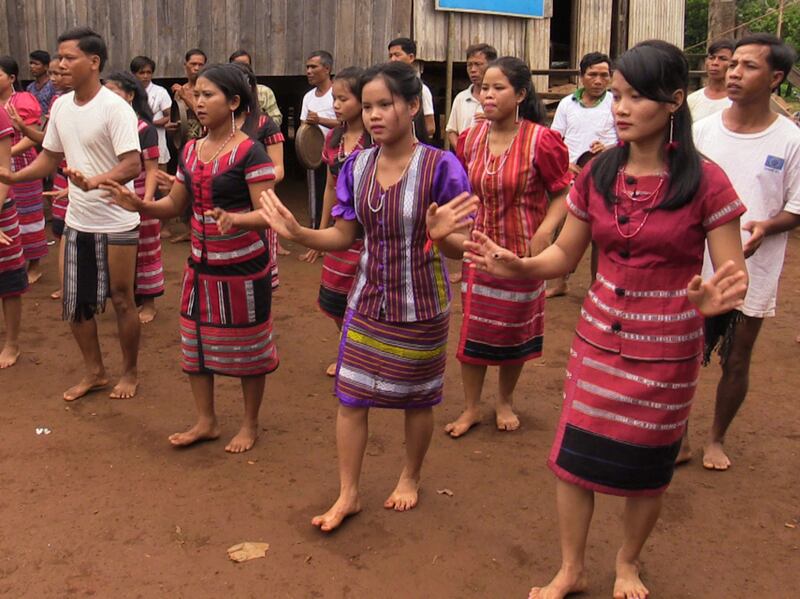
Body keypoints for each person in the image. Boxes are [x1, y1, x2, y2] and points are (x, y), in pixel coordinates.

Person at [464, 40, 748, 599]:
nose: (620, 107)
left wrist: (716, 300)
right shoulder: (597, 174)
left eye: (635, 96)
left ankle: (627, 562)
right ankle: (571, 568)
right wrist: (518, 264)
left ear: (674, 101)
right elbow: (562, 256)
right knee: (576, 456)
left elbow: (731, 272)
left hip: (667, 347)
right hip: (596, 339)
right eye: (616, 95)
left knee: (648, 467)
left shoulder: (706, 181)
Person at [260, 61, 476, 532]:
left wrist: (444, 237)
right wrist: (298, 232)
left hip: (421, 304)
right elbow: (344, 236)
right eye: (369, 106)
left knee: (417, 399)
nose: (374, 115)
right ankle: (349, 493)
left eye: (385, 104)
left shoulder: (442, 167)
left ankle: (410, 476)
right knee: (351, 397)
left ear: (413, 106)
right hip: (367, 299)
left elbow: (460, 247)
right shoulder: (356, 166)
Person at [103, 63, 279, 454]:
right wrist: (141, 205)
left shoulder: (251, 151)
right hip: (200, 267)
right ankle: (206, 420)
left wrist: (236, 219)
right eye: (196, 94)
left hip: (244, 270)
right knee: (196, 342)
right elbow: (174, 205)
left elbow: (268, 213)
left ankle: (249, 424)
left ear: (233, 102)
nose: (198, 102)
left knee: (249, 349)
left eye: (208, 95)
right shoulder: (191, 149)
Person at [0, 27, 143, 401]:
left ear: (93, 62)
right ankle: (95, 372)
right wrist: (13, 176)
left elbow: (132, 164)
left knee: (122, 299)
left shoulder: (115, 108)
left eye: (68, 57)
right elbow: (50, 157)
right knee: (75, 302)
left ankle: (129, 372)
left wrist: (95, 181)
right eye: (58, 57)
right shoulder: (61, 107)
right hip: (78, 221)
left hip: (117, 220)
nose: (60, 64)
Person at [446, 57, 571, 438]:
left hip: (522, 256)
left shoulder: (541, 140)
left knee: (514, 331)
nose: (488, 95)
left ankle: (504, 400)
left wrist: (545, 231)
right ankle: (471, 407)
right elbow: (461, 193)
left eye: (498, 88)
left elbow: (563, 192)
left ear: (519, 95)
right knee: (474, 330)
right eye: (484, 87)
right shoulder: (469, 139)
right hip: (479, 251)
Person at [690, 34, 800, 471]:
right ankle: (676, 436)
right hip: (694, 263)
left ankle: (716, 438)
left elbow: (796, 207)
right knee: (680, 352)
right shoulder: (702, 131)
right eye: (732, 64)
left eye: (748, 66)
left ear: (776, 78)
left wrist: (766, 226)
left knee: (737, 357)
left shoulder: (790, 140)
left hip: (754, 266)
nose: (734, 73)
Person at [312, 66, 370, 376]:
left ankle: (360, 356)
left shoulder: (376, 141)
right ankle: (348, 350)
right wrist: (321, 231)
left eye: (343, 99)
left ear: (363, 100)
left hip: (369, 234)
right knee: (336, 297)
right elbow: (330, 188)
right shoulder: (334, 139)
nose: (336, 105)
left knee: (365, 298)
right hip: (339, 232)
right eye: (334, 99)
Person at [549, 51, 618, 298]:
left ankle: (594, 285)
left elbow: (628, 139)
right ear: (581, 76)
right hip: (572, 174)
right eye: (592, 74)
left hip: (605, 174)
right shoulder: (567, 103)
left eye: (604, 75)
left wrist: (608, 149)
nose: (598, 80)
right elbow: (555, 138)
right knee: (564, 229)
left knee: (599, 232)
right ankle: (560, 282)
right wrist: (565, 163)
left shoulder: (615, 103)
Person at [104, 72, 163, 325]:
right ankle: (126, 299)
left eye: (113, 92)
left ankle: (149, 303)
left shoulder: (144, 129)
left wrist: (146, 203)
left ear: (129, 95)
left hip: (140, 195)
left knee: (146, 251)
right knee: (118, 250)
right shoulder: (107, 126)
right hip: (114, 197)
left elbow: (152, 170)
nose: (107, 98)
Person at [232, 61, 285, 291]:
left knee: (259, 274)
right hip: (227, 206)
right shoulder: (217, 124)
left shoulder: (264, 123)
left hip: (259, 204)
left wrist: (253, 183)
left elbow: (279, 168)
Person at [0, 56, 47, 285]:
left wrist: (7, 154)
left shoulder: (23, 100)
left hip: (23, 164)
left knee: (28, 213)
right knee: (7, 213)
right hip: (2, 163)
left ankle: (34, 266)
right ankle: (12, 261)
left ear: (11, 78)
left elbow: (33, 136)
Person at [167, 48, 207, 243]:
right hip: (184, 145)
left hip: (204, 144)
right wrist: (171, 127)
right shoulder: (180, 90)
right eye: (193, 64)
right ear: (185, 66)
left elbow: (203, 115)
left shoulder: (208, 90)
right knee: (184, 185)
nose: (196, 68)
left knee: (202, 185)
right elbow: (178, 116)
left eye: (200, 64)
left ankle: (202, 229)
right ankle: (189, 229)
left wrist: (185, 96)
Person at [300, 50, 337, 237]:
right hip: (315, 156)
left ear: (327, 69)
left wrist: (320, 120)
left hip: (337, 154)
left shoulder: (337, 93)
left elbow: (349, 124)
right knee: (316, 195)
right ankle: (317, 233)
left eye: (313, 67)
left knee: (337, 193)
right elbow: (304, 128)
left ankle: (335, 233)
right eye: (307, 67)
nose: (308, 71)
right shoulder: (308, 97)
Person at [0, 108, 25, 368]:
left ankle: (12, 343)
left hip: (1, 208)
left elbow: (4, 172)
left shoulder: (0, 115)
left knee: (8, 277)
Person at [445, 43, 497, 150]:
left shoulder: (499, 97)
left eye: (478, 64)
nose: (473, 69)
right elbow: (451, 131)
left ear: (491, 66)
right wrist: (461, 150)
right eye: (469, 65)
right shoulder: (461, 98)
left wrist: (493, 122)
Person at [388, 38, 436, 139]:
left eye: (397, 55)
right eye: (390, 56)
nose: (393, 59)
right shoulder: (385, 88)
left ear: (411, 57)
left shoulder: (422, 90)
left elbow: (430, 127)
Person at [130, 56, 173, 170]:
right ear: (134, 74)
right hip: (134, 142)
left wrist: (148, 124)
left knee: (160, 176)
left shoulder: (160, 92)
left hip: (157, 140)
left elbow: (170, 117)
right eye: (141, 73)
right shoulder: (128, 92)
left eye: (148, 72)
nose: (145, 76)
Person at [229, 49, 282, 126]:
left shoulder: (264, 92)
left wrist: (261, 124)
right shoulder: (225, 93)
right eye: (237, 66)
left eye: (245, 65)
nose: (242, 69)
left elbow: (277, 118)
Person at [687, 39, 734, 122]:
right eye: (711, 58)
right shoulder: (692, 100)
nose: (715, 63)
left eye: (722, 59)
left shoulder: (739, 101)